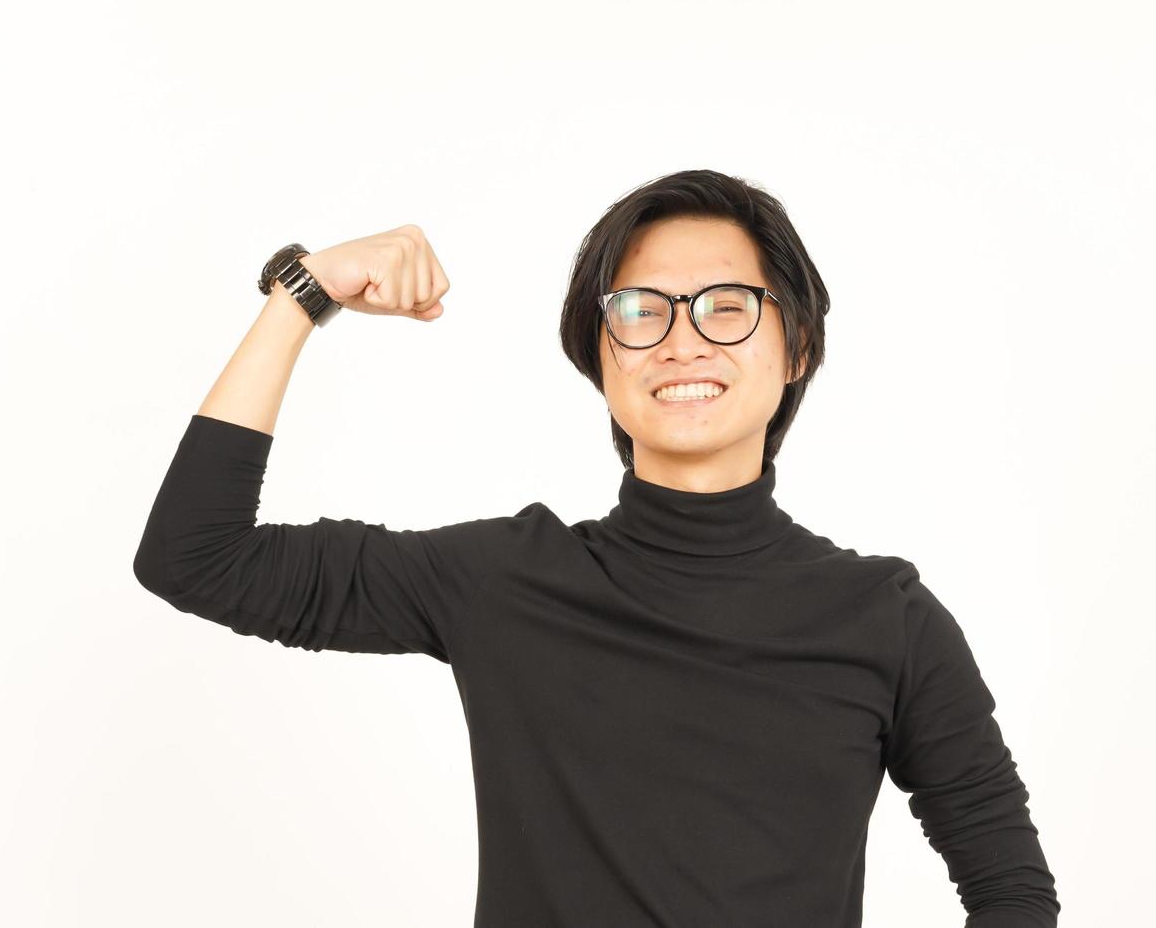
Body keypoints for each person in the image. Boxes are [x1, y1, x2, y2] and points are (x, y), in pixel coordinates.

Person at [132, 169, 1059, 926]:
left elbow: (1010, 889)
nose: (681, 342)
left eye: (726, 307)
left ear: (798, 347)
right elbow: (195, 557)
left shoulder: (886, 618)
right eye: (640, 310)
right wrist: (305, 294)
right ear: (600, 354)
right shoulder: (503, 582)